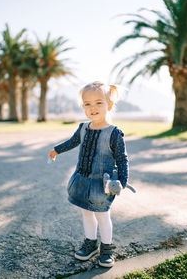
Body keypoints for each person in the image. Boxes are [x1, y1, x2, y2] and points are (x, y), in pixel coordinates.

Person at [48, 81, 129, 268]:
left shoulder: (114, 133)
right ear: (83, 106)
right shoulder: (83, 128)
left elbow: (122, 159)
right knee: (86, 213)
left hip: (102, 185)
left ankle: (106, 249)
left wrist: (122, 182)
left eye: (99, 103)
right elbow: (72, 142)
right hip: (82, 180)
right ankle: (90, 243)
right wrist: (56, 150)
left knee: (102, 215)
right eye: (87, 104)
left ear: (109, 105)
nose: (93, 108)